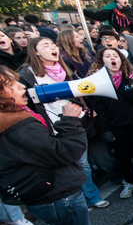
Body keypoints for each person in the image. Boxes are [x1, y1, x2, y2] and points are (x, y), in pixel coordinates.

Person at [0, 65, 119, 225]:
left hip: (44, 191)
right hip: (56, 193)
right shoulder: (18, 125)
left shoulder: (10, 119)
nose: (22, 86)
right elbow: (65, 152)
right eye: (12, 85)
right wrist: (69, 120)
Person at [19, 37, 109, 209]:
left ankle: (89, 194)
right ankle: (90, 198)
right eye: (46, 45)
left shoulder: (65, 70)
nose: (52, 47)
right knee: (78, 163)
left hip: (76, 121)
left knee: (84, 163)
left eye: (53, 45)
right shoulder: (27, 76)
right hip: (53, 126)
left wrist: (87, 109)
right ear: (35, 52)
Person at [87, 48, 133, 198]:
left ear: (121, 60)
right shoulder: (98, 83)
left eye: (116, 56)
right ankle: (129, 182)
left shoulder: (131, 78)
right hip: (115, 126)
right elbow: (98, 108)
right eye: (108, 56)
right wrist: (104, 130)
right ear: (102, 61)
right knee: (122, 155)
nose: (113, 59)